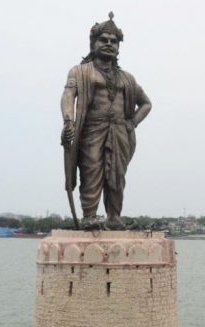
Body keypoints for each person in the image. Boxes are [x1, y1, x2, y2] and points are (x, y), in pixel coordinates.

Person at [60, 12, 152, 230]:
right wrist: (68, 121)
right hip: (92, 128)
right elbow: (68, 95)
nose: (109, 44)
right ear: (94, 43)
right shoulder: (81, 71)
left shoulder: (127, 78)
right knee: (91, 169)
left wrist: (132, 123)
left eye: (114, 41)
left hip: (120, 130)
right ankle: (89, 216)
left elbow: (146, 103)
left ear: (118, 47)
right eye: (104, 40)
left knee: (117, 174)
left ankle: (113, 217)